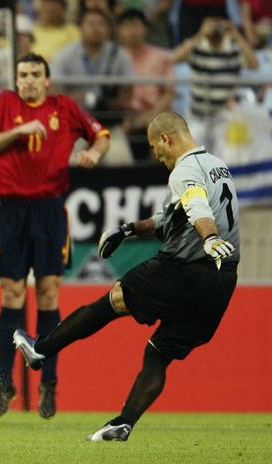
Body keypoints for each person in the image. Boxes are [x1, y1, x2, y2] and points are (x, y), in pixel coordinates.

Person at [14, 110, 240, 442]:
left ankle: (42, 349)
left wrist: (208, 238)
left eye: (153, 147)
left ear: (165, 139)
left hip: (184, 268)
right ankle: (123, 423)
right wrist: (128, 230)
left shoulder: (184, 170)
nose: (155, 156)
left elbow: (196, 208)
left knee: (114, 299)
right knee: (158, 353)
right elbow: (168, 219)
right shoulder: (218, 166)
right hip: (222, 280)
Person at [0, 53, 110, 419]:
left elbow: (101, 135)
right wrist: (18, 130)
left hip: (50, 210)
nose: (28, 80)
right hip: (12, 211)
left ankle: (49, 384)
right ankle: (3, 385)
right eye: (22, 74)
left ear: (47, 80)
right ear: (16, 79)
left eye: (35, 74)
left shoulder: (63, 107)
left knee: (48, 295)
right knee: (12, 295)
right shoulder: (3, 103)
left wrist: (94, 153)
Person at [52, 7, 134, 165]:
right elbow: (54, 91)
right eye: (90, 24)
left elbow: (127, 93)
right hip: (75, 124)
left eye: (101, 24)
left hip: (109, 123)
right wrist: (74, 99)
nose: (96, 29)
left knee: (122, 162)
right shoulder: (64, 55)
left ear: (109, 29)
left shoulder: (120, 55)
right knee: (67, 162)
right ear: (80, 27)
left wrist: (109, 103)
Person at [172, 14, 259, 148]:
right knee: (192, 153)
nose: (215, 28)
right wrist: (200, 34)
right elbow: (173, 58)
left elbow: (254, 64)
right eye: (211, 25)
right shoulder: (197, 47)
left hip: (226, 116)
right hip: (199, 116)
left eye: (218, 24)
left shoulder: (233, 48)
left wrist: (236, 35)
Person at [116, 8, 175, 161]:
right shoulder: (114, 58)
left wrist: (150, 115)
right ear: (119, 30)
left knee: (158, 127)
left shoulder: (162, 56)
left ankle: (154, 179)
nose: (132, 31)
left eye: (136, 25)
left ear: (145, 29)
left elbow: (169, 93)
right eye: (127, 26)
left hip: (153, 112)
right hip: (123, 114)